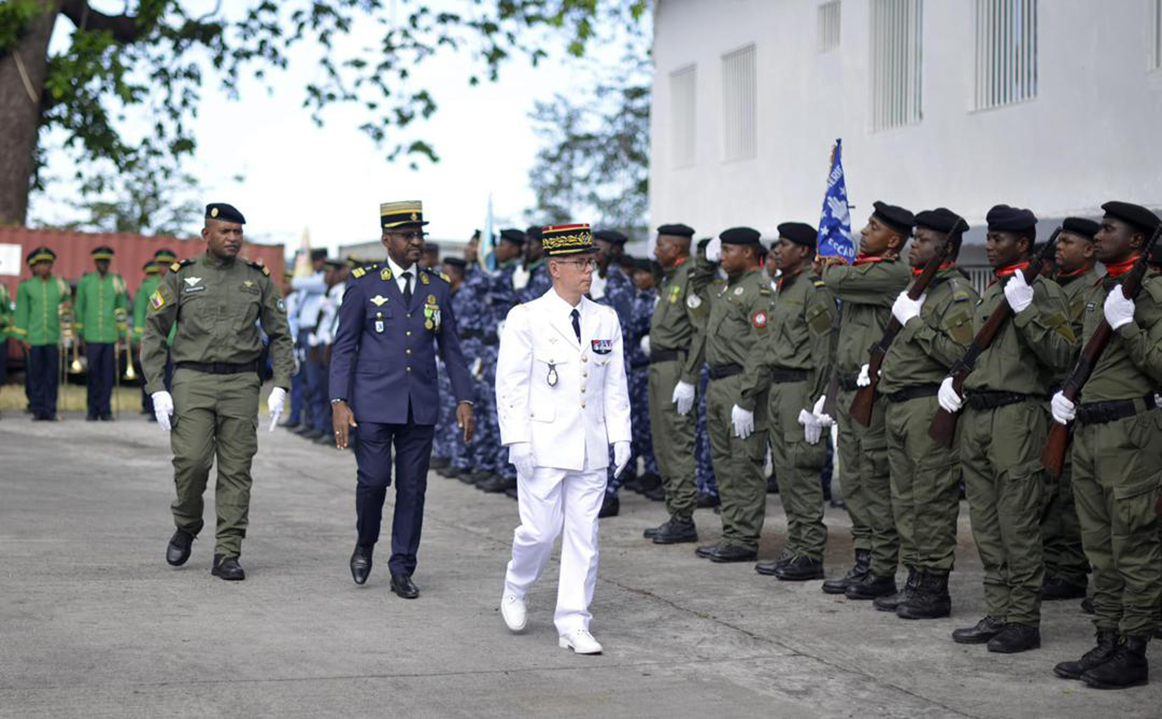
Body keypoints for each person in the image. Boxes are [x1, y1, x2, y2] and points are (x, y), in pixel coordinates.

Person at [941, 205, 1075, 652]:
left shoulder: (1043, 291)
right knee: (985, 522)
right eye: (990, 237)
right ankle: (998, 610)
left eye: (999, 239)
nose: (991, 244)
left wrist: (1026, 311)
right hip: (978, 415)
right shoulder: (990, 292)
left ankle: (1023, 619)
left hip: (1019, 417)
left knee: (1018, 522)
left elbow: (1061, 355)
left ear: (1022, 243)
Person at [496, 223, 632, 654]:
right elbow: (511, 384)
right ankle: (517, 585)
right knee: (538, 532)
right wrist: (516, 439)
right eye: (579, 263)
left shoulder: (604, 317)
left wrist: (621, 436)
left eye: (590, 262)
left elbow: (615, 383)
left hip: (590, 445)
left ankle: (574, 622)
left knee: (583, 537)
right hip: (543, 443)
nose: (589, 270)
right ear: (555, 268)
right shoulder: (526, 318)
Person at [330, 200, 475, 599]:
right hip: (373, 401)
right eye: (408, 236)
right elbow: (344, 347)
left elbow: (453, 350)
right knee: (374, 481)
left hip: (420, 405)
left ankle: (402, 568)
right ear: (387, 240)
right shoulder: (363, 284)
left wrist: (465, 398)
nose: (417, 242)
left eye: (420, 235)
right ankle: (365, 542)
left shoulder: (437, 288)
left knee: (413, 489)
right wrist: (339, 400)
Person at [141, 203, 293, 581]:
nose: (233, 239)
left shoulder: (257, 278)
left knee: (237, 470)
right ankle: (187, 523)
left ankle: (228, 550)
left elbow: (280, 334)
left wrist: (282, 384)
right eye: (225, 231)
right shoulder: (182, 277)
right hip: (192, 380)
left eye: (238, 232)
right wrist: (157, 386)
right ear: (206, 234)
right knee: (192, 462)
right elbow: (154, 331)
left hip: (242, 383)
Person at [1049, 201, 1162, 690]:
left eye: (1109, 229)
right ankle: (1108, 637)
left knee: (1133, 544)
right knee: (1099, 547)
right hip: (1090, 430)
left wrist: (1127, 326)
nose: (1098, 234)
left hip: (1130, 434)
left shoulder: (1153, 292)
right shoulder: (1101, 289)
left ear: (1137, 241)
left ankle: (1133, 651)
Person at [871, 208, 978, 617]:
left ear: (945, 248)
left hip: (927, 406)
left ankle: (934, 587)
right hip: (898, 405)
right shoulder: (919, 289)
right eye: (914, 237)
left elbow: (962, 356)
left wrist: (914, 324)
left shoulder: (956, 295)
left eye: (923, 239)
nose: (913, 244)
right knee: (905, 500)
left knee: (931, 499)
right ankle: (913, 577)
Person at [816, 203, 913, 596]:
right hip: (851, 391)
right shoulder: (863, 272)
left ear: (893, 241)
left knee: (874, 481)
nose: (863, 232)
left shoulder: (890, 273)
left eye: (873, 228)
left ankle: (882, 569)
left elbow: (836, 281)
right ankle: (864, 560)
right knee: (853, 481)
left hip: (874, 393)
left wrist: (831, 264)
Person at [752, 222, 837, 581]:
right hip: (778, 386)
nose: (777, 249)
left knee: (801, 471)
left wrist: (819, 401)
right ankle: (796, 546)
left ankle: (810, 552)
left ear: (804, 251)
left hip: (801, 388)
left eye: (784, 244)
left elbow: (824, 351)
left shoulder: (813, 291)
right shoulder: (781, 287)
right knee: (785, 474)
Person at [693, 228, 773, 564]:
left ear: (749, 253)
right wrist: (705, 259)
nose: (722, 256)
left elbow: (762, 347)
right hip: (717, 383)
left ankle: (744, 538)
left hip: (741, 384)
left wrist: (747, 396)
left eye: (728, 250)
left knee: (745, 465)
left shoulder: (759, 291)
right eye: (720, 250)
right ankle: (732, 531)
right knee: (724, 465)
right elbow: (698, 284)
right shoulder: (726, 287)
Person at [1041, 217, 1100, 602]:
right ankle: (1058, 566)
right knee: (1051, 487)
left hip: (1075, 399)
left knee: (1072, 492)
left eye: (1068, 242)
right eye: (1059, 242)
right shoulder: (1060, 287)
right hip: (1050, 398)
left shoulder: (1090, 289)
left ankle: (1071, 569)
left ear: (1089, 250)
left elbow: (1074, 346)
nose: (1059, 248)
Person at [642, 224, 706, 544]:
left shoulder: (691, 278)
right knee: (663, 442)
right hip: (659, 366)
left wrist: (689, 378)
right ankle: (675, 511)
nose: (655, 251)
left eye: (661, 246)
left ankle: (683, 517)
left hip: (675, 368)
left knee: (677, 442)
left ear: (677, 249)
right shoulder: (671, 278)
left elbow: (700, 331)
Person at [591, 229, 635, 517]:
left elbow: (623, 327)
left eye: (601, 247)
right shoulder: (588, 278)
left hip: (613, 362)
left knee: (609, 427)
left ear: (615, 251)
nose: (595, 252)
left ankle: (610, 493)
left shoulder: (621, 283)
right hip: (588, 365)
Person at [13, 247, 70, 421]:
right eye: (40, 264)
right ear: (35, 267)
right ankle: (38, 410)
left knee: (51, 377)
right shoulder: (27, 287)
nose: (44, 267)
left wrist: (67, 309)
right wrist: (22, 338)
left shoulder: (59, 285)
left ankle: (50, 409)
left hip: (53, 338)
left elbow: (66, 311)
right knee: (36, 376)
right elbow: (22, 313)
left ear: (51, 265)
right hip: (34, 338)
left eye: (47, 263)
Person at [75, 246, 130, 421]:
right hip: (91, 335)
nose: (103, 264)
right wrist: (80, 333)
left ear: (109, 262)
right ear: (95, 262)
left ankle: (105, 410)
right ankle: (92, 410)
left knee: (108, 374)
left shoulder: (117, 281)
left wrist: (122, 333)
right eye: (100, 261)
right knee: (92, 373)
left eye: (106, 261)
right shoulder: (86, 281)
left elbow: (121, 309)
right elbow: (79, 307)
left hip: (110, 335)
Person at [292, 248, 329, 440]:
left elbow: (294, 282)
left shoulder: (323, 280)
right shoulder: (311, 281)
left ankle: (320, 425)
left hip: (315, 334)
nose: (316, 264)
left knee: (315, 383)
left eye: (317, 260)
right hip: (304, 333)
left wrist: (301, 270)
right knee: (306, 381)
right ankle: (310, 422)